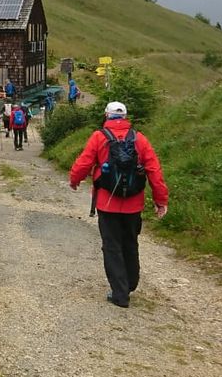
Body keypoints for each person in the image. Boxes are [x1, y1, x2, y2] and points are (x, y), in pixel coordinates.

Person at [68, 101, 169, 308]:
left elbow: (84, 162)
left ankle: (120, 294)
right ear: (125, 117)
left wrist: (74, 180)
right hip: (134, 204)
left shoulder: (99, 137)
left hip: (107, 203)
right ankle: (130, 283)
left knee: (112, 246)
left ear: (107, 115)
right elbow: (154, 171)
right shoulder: (139, 139)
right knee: (130, 243)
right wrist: (161, 200)